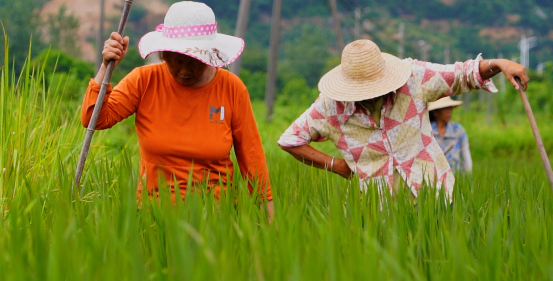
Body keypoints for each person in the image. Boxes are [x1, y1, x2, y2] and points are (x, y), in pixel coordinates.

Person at [81, 1, 274, 219]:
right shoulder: (144, 80)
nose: (184, 70)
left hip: (216, 219)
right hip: (154, 216)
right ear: (164, 54)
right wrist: (106, 66)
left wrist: (269, 218)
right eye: (177, 60)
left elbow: (252, 156)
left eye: (194, 62)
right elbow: (94, 119)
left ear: (210, 55)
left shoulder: (231, 88)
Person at [278, 39, 528, 202]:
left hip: (435, 198)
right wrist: (337, 165)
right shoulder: (330, 106)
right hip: (376, 210)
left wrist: (498, 63)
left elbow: (462, 74)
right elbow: (290, 140)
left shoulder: (413, 77)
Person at [428, 97, 472, 173]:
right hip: (433, 179)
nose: (449, 112)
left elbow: (466, 158)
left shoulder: (458, 130)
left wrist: (469, 176)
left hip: (456, 178)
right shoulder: (427, 131)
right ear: (435, 112)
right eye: (445, 109)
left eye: (450, 108)